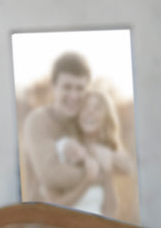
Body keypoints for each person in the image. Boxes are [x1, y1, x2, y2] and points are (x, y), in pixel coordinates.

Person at [21, 52, 100, 207]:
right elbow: (51, 175)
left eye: (80, 88)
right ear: (53, 87)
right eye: (67, 87)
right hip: (43, 224)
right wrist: (94, 173)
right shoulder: (38, 120)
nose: (74, 95)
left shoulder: (83, 125)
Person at [55, 89, 134, 217]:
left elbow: (110, 214)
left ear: (106, 118)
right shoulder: (66, 147)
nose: (90, 112)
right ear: (78, 114)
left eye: (97, 108)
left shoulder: (107, 154)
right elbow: (53, 204)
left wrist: (107, 171)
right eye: (85, 107)